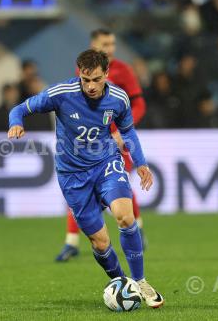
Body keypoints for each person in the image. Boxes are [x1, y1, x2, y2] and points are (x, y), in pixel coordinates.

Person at [8, 49, 164, 308]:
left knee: (125, 216)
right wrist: (16, 122)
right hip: (72, 175)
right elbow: (20, 108)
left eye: (96, 80)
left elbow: (128, 133)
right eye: (85, 79)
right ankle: (122, 284)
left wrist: (142, 164)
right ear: (79, 74)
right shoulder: (61, 94)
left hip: (106, 163)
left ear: (106, 75)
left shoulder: (118, 99)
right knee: (100, 242)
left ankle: (141, 281)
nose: (90, 86)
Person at [56, 29, 148, 262]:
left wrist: (122, 130)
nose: (111, 48)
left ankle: (138, 228)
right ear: (94, 44)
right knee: (81, 189)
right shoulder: (85, 70)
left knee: (120, 184)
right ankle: (71, 241)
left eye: (113, 43)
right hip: (90, 141)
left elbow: (138, 104)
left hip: (114, 139)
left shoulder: (123, 70)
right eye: (106, 43)